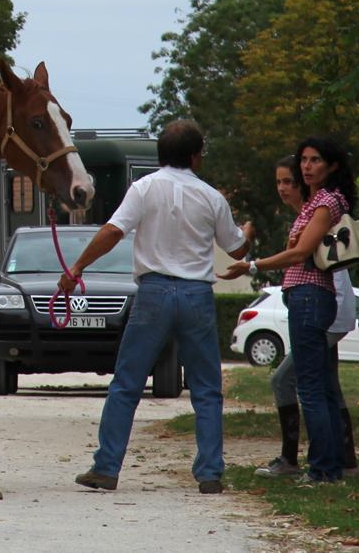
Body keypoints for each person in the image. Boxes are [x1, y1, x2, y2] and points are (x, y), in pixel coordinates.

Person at [60, 119, 253, 495]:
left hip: (153, 293)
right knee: (206, 389)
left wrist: (77, 267)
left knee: (127, 383)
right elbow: (237, 249)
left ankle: (107, 466)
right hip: (196, 295)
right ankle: (210, 472)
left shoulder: (143, 188)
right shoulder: (212, 197)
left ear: (161, 154)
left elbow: (113, 231)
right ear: (196, 157)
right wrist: (247, 233)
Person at [223, 135, 356, 484]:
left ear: (332, 166)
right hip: (305, 295)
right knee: (320, 386)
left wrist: (252, 266)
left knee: (310, 388)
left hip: (310, 296)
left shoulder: (326, 202)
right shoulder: (318, 202)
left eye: (315, 161)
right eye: (305, 160)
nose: (307, 167)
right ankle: (329, 465)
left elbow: (300, 254)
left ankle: (324, 469)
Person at [255, 155, 359, 478]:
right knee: (326, 385)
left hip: (319, 305)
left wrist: (252, 265)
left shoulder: (321, 208)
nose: (283, 188)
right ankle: (342, 461)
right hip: (323, 305)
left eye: (289, 182)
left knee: (295, 381)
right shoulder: (306, 215)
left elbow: (305, 259)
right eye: (279, 182)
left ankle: (313, 463)